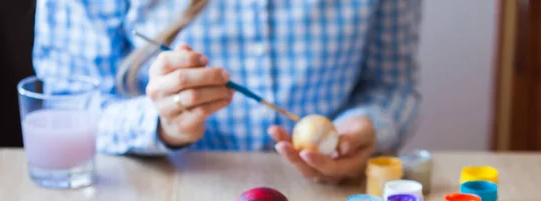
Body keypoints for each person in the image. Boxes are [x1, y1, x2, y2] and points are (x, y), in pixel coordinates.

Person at [32, 0, 422, 182]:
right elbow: (67, 103)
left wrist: (367, 128)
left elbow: (391, 85)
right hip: (157, 197)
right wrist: (159, 122)